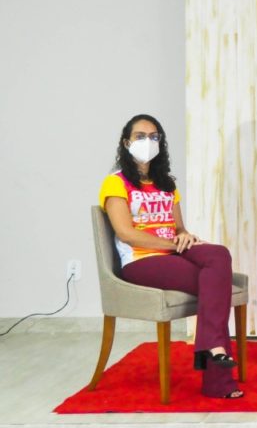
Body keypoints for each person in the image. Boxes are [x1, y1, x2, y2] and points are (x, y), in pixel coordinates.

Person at [98, 114, 243, 399]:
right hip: (141, 260)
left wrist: (185, 237)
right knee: (214, 283)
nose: (148, 141)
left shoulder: (167, 184)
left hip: (172, 250)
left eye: (154, 137)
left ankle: (212, 349)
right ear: (126, 143)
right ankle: (217, 376)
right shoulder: (115, 183)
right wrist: (172, 245)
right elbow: (127, 234)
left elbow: (178, 228)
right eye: (140, 136)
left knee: (218, 254)